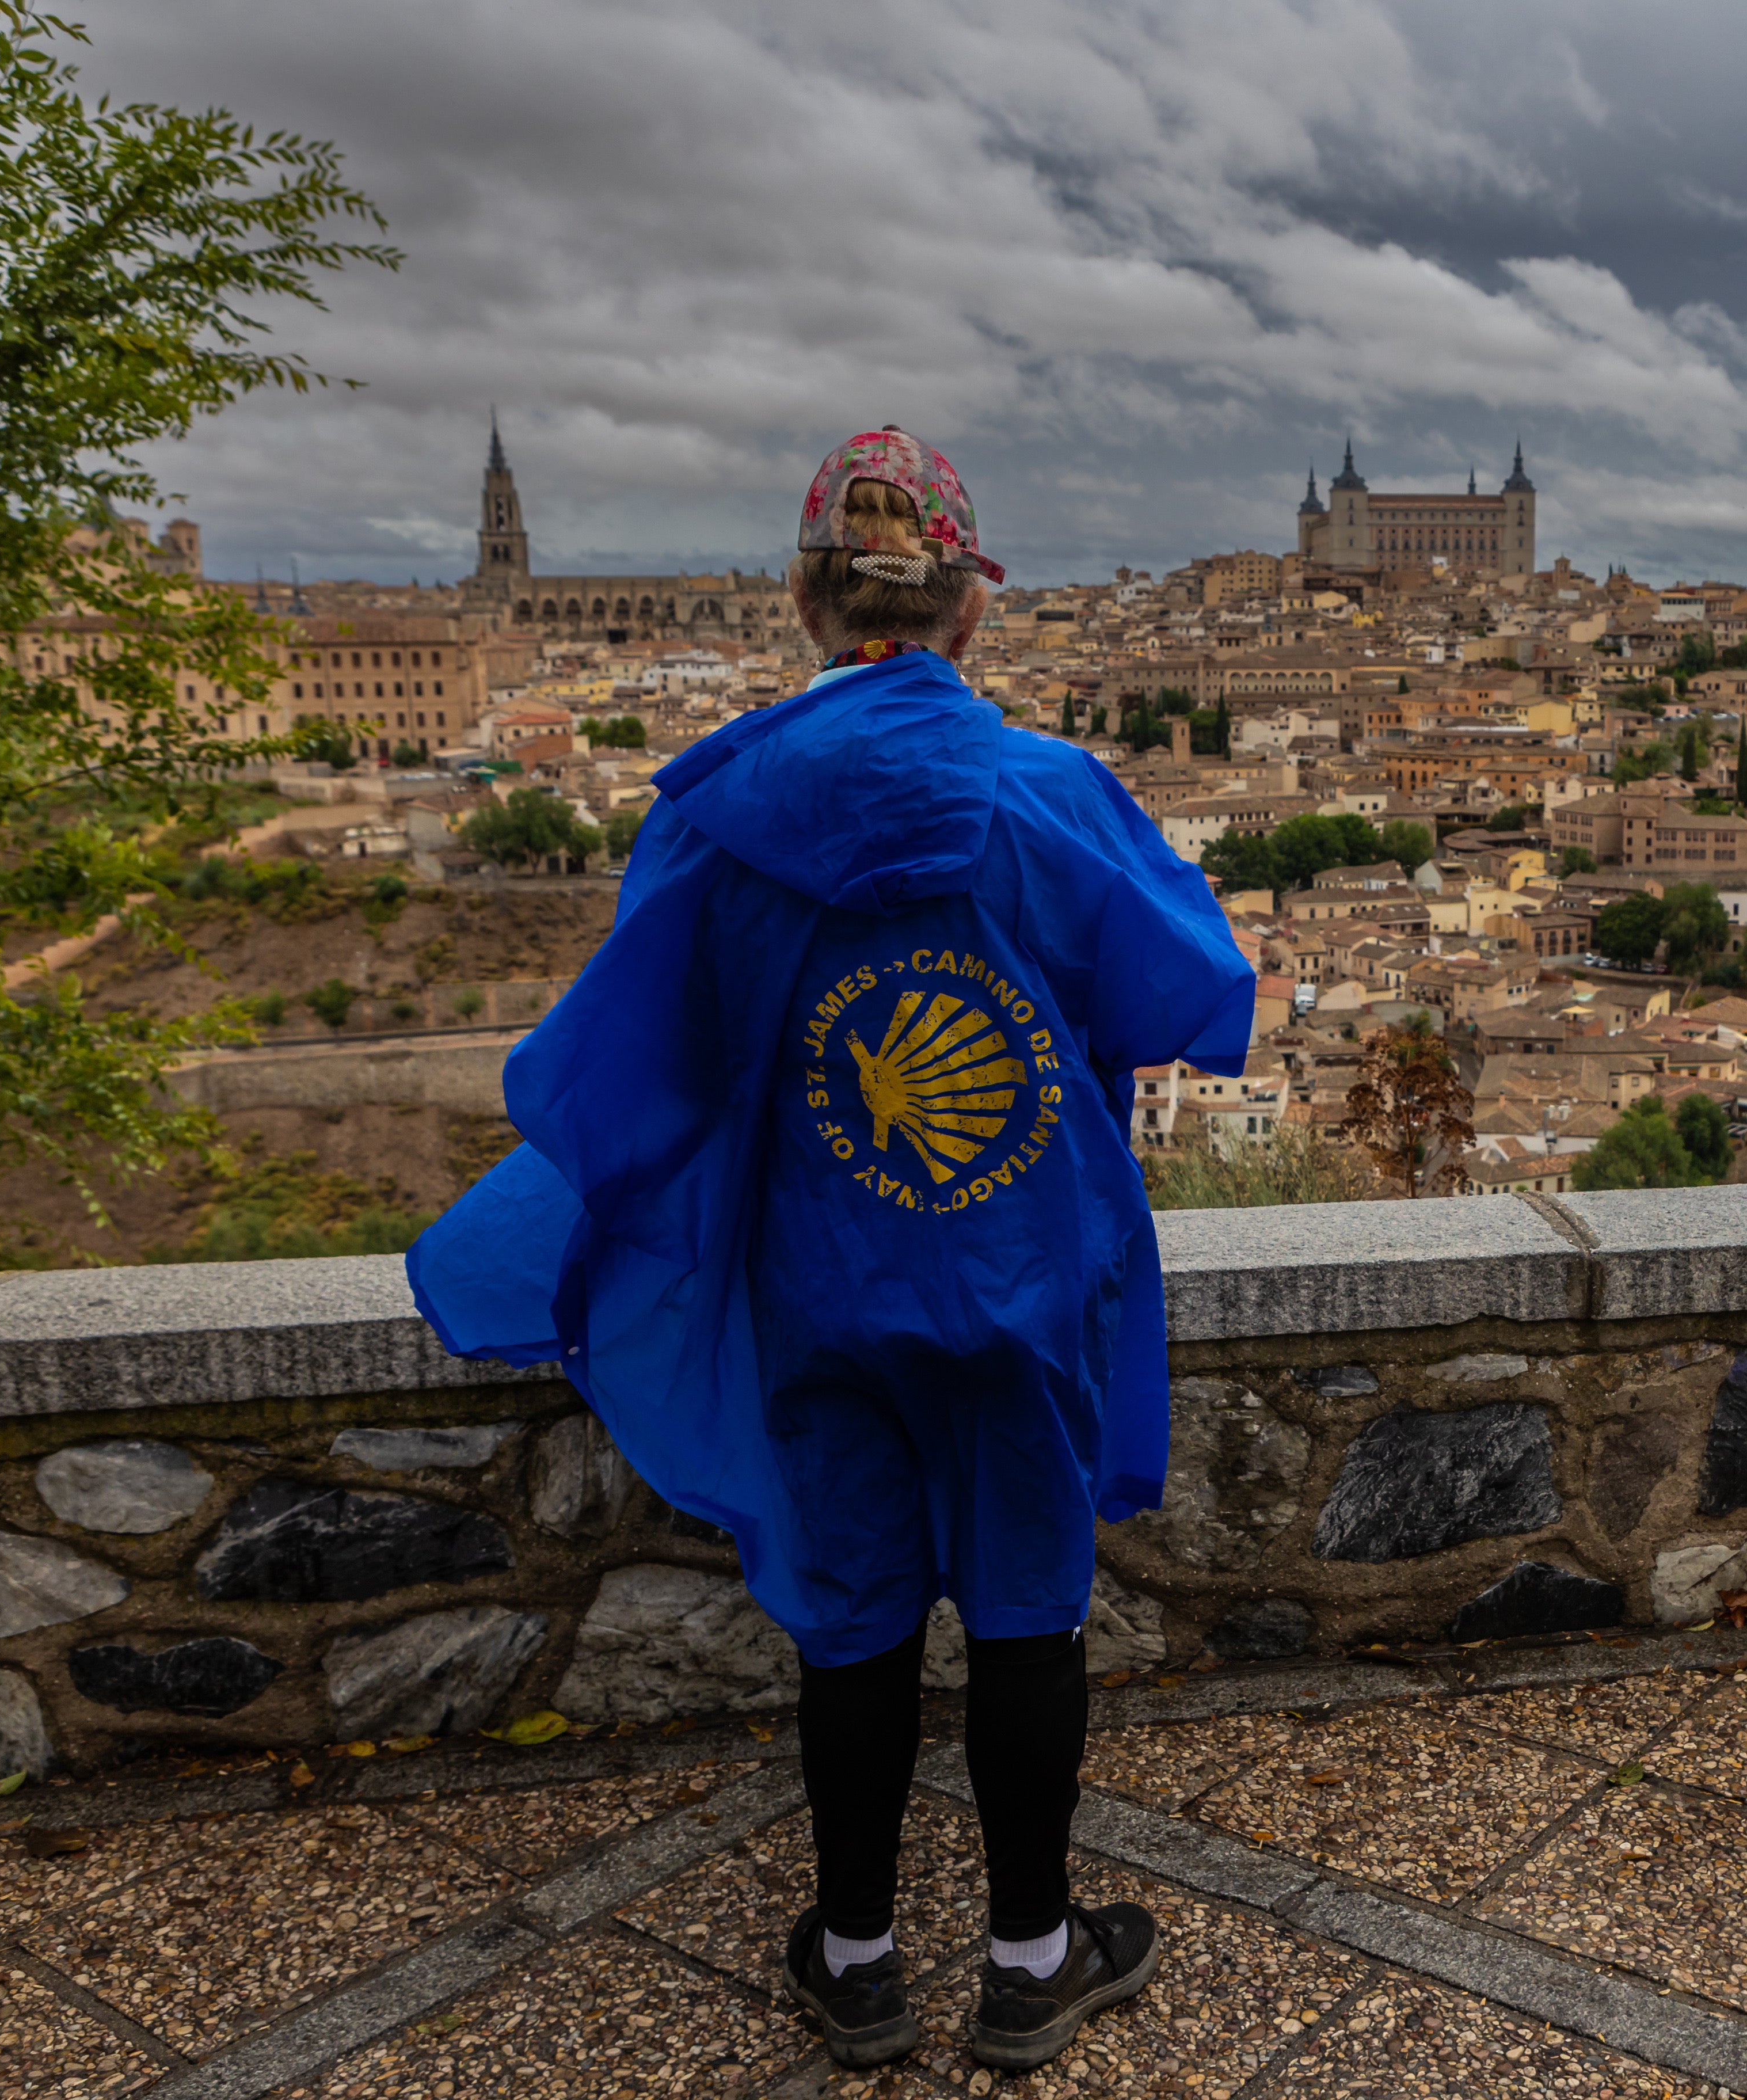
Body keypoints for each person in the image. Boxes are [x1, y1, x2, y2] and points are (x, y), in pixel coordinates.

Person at [405, 427, 1254, 2071]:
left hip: (821, 1279)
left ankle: (857, 1957)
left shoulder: (723, 817)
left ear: (806, 602)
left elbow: (637, 1066)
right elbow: (1187, 995)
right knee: (1027, 1614)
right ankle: (1030, 1959)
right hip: (1018, 1270)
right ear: (970, 613)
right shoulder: (1053, 799)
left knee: (853, 1618)